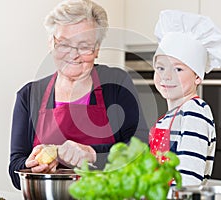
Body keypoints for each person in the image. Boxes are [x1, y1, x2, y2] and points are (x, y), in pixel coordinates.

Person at [8, 0, 148, 190]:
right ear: (51, 43)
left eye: (84, 46)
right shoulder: (29, 95)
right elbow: (16, 172)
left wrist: (92, 154)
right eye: (64, 44)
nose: (73, 55)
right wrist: (31, 165)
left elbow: (141, 149)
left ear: (97, 49)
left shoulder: (116, 84)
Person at [149, 10, 221, 187]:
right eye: (160, 68)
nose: (166, 76)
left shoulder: (194, 112)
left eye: (178, 69)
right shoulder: (170, 116)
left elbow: (188, 180)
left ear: (197, 77)